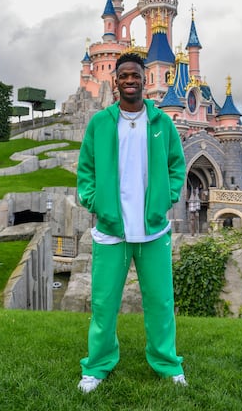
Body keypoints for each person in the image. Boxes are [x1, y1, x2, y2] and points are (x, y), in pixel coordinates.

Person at [76, 52, 187, 394]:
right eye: (123, 75)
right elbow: (86, 172)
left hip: (153, 230)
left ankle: (167, 364)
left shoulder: (162, 123)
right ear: (114, 80)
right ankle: (97, 366)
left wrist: (165, 200)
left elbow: (176, 167)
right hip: (111, 230)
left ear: (144, 79)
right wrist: (97, 204)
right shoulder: (100, 123)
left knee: (161, 303)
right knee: (104, 304)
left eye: (135, 75)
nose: (129, 80)